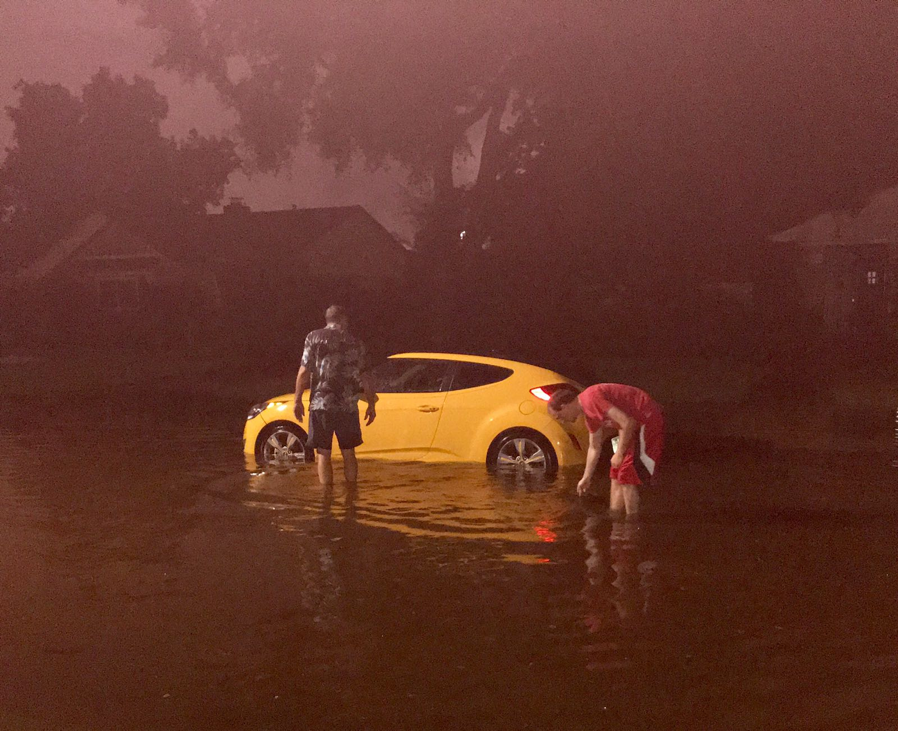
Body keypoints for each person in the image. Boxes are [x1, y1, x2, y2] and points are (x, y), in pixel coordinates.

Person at [548, 384, 664, 516]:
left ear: (564, 406)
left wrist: (620, 454)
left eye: (559, 417)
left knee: (627, 473)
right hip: (631, 425)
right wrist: (586, 478)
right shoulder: (589, 415)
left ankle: (631, 525)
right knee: (616, 471)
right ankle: (615, 517)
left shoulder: (591, 399)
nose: (562, 421)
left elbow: (627, 422)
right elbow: (594, 447)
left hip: (646, 419)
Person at [293, 305, 377, 486]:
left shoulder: (313, 338)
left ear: (327, 319)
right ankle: (352, 495)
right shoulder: (355, 342)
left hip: (321, 404)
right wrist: (371, 404)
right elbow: (366, 376)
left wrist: (297, 400)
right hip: (347, 405)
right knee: (349, 452)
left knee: (323, 453)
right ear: (343, 320)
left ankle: (327, 499)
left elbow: (304, 372)